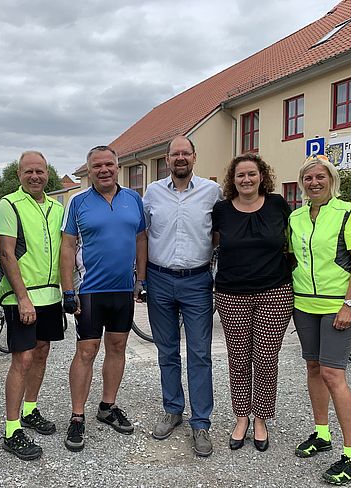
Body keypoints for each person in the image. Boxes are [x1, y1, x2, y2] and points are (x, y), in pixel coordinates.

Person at [60, 145, 147, 452]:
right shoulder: (78, 201)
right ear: (89, 170)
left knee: (118, 347)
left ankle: (107, 406)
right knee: (86, 351)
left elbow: (141, 239)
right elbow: (67, 246)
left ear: (117, 166)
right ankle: (77, 415)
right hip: (90, 291)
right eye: (97, 165)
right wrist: (67, 290)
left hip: (122, 289)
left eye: (109, 164)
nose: (104, 170)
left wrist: (141, 279)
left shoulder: (133, 199)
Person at [289, 155, 351, 485]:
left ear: (331, 180)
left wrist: (349, 304)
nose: (314, 183)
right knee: (313, 368)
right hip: (304, 304)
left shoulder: (347, 212)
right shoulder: (295, 217)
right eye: (308, 178)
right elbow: (292, 258)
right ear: (302, 183)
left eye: (320, 177)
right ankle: (322, 434)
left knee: (334, 374)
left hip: (339, 305)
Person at [143, 135, 222, 457]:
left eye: (185, 153)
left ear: (194, 157)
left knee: (200, 353)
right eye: (175, 153)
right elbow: (143, 234)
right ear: (167, 159)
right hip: (159, 279)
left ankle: (200, 422)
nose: (180, 158)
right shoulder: (152, 192)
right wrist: (140, 278)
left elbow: (218, 233)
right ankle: (173, 409)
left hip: (196, 281)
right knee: (167, 350)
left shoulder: (211, 192)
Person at [212, 153, 293, 453]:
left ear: (262, 176)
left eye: (251, 174)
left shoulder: (277, 204)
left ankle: (261, 418)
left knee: (267, 358)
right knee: (238, 359)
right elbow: (211, 245)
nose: (246, 179)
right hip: (232, 294)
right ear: (232, 180)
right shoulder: (221, 210)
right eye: (240, 175)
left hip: (275, 292)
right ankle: (241, 417)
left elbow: (293, 242)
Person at [0, 151, 65, 460]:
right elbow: (6, 254)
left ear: (47, 173)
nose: (35, 176)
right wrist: (22, 297)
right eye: (28, 171)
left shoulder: (57, 207)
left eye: (40, 171)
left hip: (50, 296)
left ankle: (30, 410)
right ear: (19, 175)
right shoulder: (9, 204)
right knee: (22, 359)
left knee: (41, 352)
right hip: (21, 296)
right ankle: (12, 429)